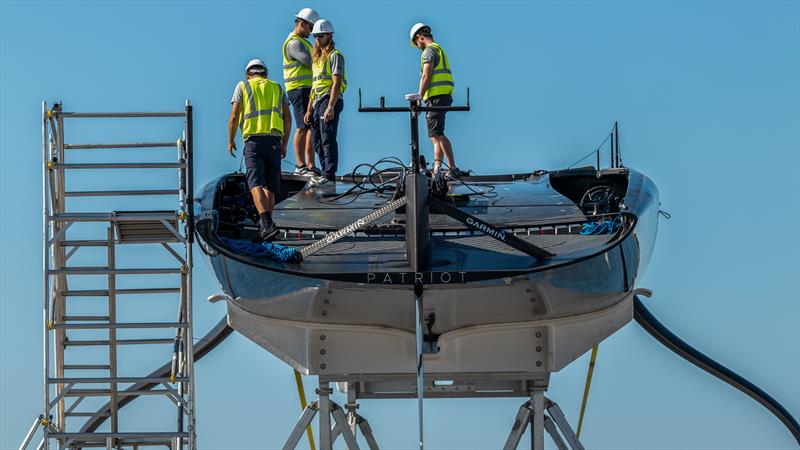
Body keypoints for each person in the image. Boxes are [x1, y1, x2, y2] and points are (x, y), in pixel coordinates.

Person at [227, 59, 292, 240]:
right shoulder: (277, 88)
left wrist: (230, 141)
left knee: (255, 182)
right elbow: (288, 117)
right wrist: (285, 143)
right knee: (270, 185)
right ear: (265, 73)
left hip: (253, 141)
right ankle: (267, 228)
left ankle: (266, 223)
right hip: (274, 141)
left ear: (248, 74)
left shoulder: (243, 86)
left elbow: (234, 116)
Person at [410, 22, 465, 177]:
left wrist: (419, 97)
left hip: (436, 97)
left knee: (438, 134)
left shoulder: (428, 51)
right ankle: (437, 168)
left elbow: (426, 76)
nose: (418, 46)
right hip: (443, 95)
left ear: (420, 37)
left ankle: (453, 168)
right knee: (435, 135)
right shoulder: (439, 49)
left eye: (417, 43)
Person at [304, 19, 347, 187]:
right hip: (317, 102)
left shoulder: (335, 56)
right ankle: (324, 171)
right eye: (315, 36)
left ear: (329, 35)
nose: (317, 40)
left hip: (329, 99)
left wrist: (330, 106)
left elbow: (336, 82)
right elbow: (314, 87)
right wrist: (309, 109)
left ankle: (329, 174)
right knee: (317, 139)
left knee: (327, 137)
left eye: (320, 36)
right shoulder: (317, 60)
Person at [282, 7, 320, 176]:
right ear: (302, 23)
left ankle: (310, 164)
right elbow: (310, 61)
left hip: (308, 89)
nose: (312, 32)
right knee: (302, 126)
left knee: (310, 126)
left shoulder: (304, 42)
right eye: (311, 28)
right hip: (298, 90)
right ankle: (300, 165)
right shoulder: (294, 43)